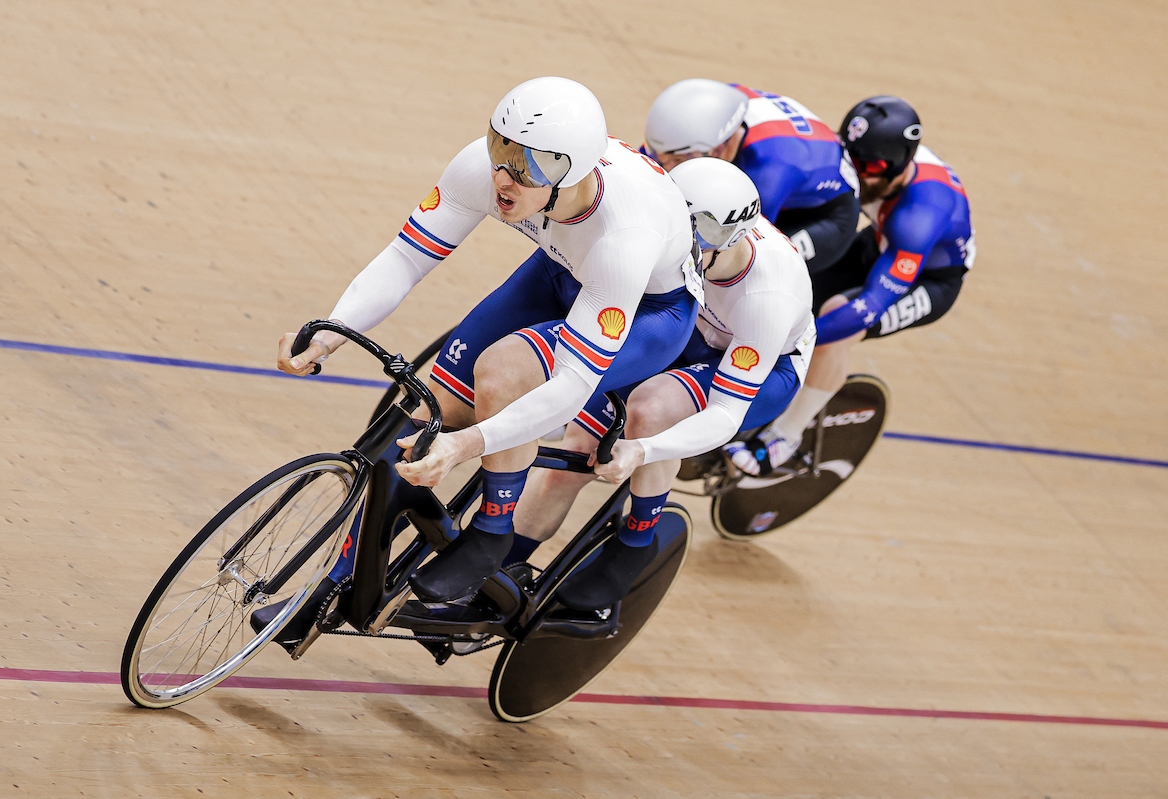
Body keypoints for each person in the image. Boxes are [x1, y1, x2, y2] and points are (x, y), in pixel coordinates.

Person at [253, 76, 699, 651]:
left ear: (575, 170)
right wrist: (337, 330)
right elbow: (405, 258)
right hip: (560, 270)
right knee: (420, 416)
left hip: (648, 312)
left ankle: (492, 529)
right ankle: (329, 587)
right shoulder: (482, 170)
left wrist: (467, 447)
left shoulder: (625, 231)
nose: (505, 177)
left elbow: (568, 387)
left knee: (505, 373)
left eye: (529, 165)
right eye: (500, 150)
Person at [512, 158, 815, 609]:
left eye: (695, 247)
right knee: (576, 447)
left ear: (731, 240)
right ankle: (502, 562)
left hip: (764, 364)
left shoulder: (768, 296)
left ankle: (637, 541)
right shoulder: (672, 232)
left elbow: (723, 415)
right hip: (689, 327)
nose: (683, 254)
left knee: (651, 410)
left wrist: (644, 449)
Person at [725, 95, 976, 475]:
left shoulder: (919, 215)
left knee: (834, 320)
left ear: (899, 166)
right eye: (852, 157)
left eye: (869, 168)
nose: (858, 172)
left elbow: (867, 308)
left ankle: (785, 438)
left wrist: (789, 340)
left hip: (928, 279)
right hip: (875, 245)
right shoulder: (875, 158)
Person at [643, 78, 861, 276]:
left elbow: (729, 247)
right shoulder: (712, 108)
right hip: (794, 168)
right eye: (658, 154)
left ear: (719, 149)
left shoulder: (769, 171)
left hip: (825, 216)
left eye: (679, 160)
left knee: (749, 269)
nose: (666, 166)